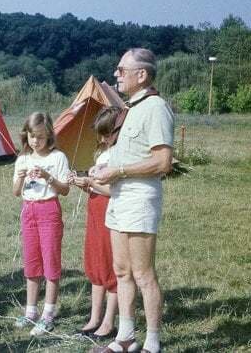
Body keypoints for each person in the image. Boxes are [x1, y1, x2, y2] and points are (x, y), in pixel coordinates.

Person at [91, 48, 174, 353]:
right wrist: (106, 169)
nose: (116, 75)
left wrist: (119, 170)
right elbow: (130, 155)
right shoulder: (130, 108)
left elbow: (163, 162)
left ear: (142, 75)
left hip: (139, 197)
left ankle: (152, 342)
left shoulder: (155, 107)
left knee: (143, 274)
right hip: (121, 196)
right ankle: (125, 337)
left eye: (121, 70)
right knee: (122, 271)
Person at [12, 112, 70, 336]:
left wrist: (47, 176)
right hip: (29, 211)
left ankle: (49, 312)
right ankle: (30, 311)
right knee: (32, 263)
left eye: (41, 137)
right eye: (32, 136)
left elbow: (64, 190)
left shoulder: (58, 158)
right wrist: (20, 177)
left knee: (50, 262)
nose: (36, 141)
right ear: (26, 135)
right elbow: (16, 192)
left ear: (49, 137)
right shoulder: (23, 159)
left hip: (49, 210)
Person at [69, 107, 121, 341]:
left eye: (105, 133)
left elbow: (113, 190)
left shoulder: (119, 155)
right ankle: (94, 317)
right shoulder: (104, 153)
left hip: (110, 213)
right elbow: (98, 185)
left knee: (110, 265)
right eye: (99, 134)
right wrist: (85, 184)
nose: (100, 139)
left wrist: (90, 181)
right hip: (95, 211)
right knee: (96, 263)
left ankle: (109, 321)